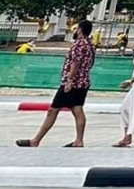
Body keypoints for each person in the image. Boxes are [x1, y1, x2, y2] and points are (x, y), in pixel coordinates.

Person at [16, 20, 95, 148]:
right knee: (77, 109)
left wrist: (69, 80)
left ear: (80, 29)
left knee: (53, 110)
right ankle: (78, 140)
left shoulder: (79, 44)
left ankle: (36, 140)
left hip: (73, 83)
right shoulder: (90, 44)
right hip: (83, 82)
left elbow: (76, 63)